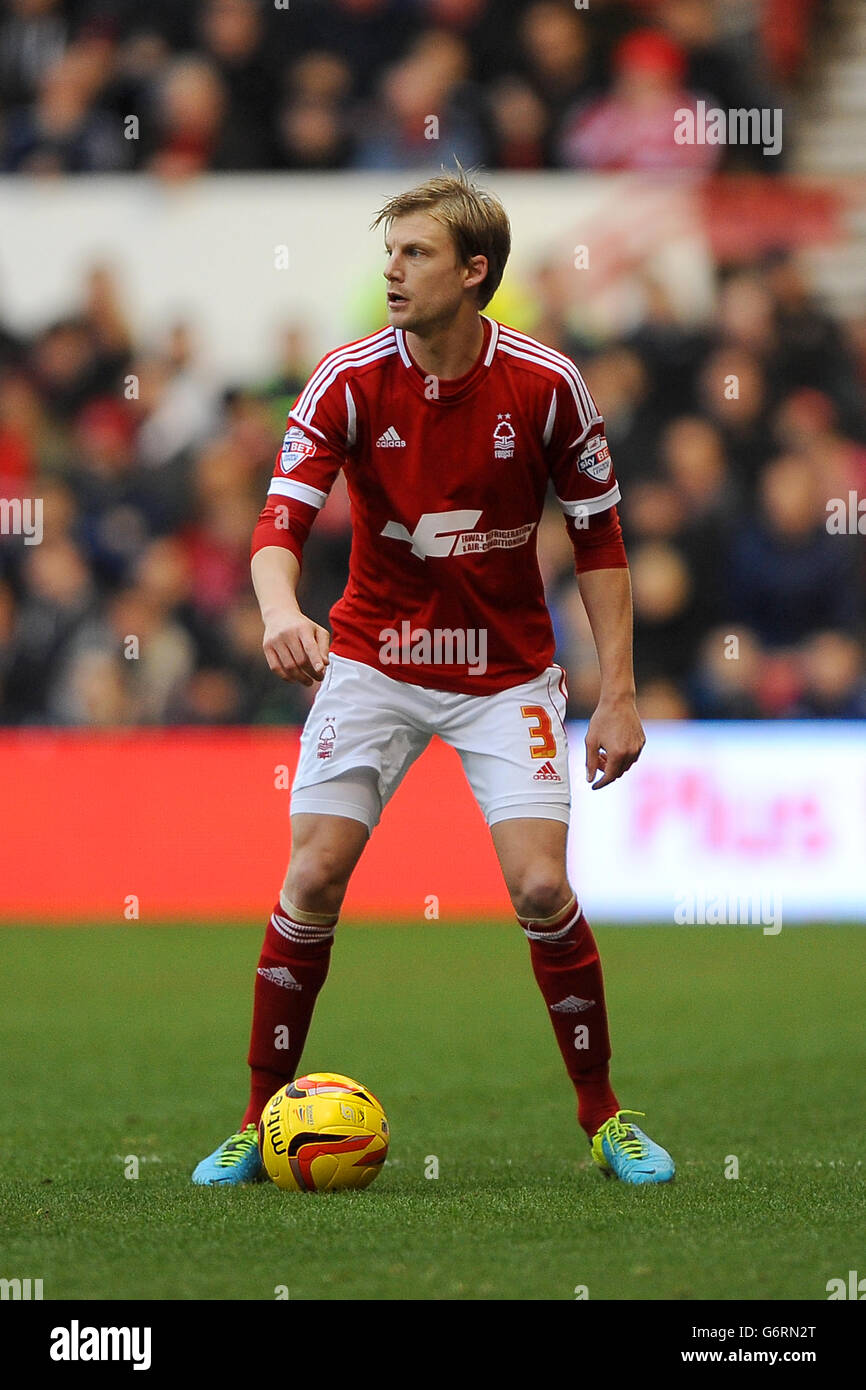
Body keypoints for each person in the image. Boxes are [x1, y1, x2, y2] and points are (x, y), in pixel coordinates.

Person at [192, 169, 674, 1187]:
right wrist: (281, 611)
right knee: (312, 875)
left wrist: (617, 691)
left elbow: (601, 542)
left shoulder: (546, 386)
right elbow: (279, 523)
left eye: (413, 254)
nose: (391, 271)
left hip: (506, 674)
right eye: (389, 252)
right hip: (371, 660)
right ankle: (253, 1118)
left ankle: (602, 1115)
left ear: (474, 271)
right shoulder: (346, 378)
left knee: (541, 885)